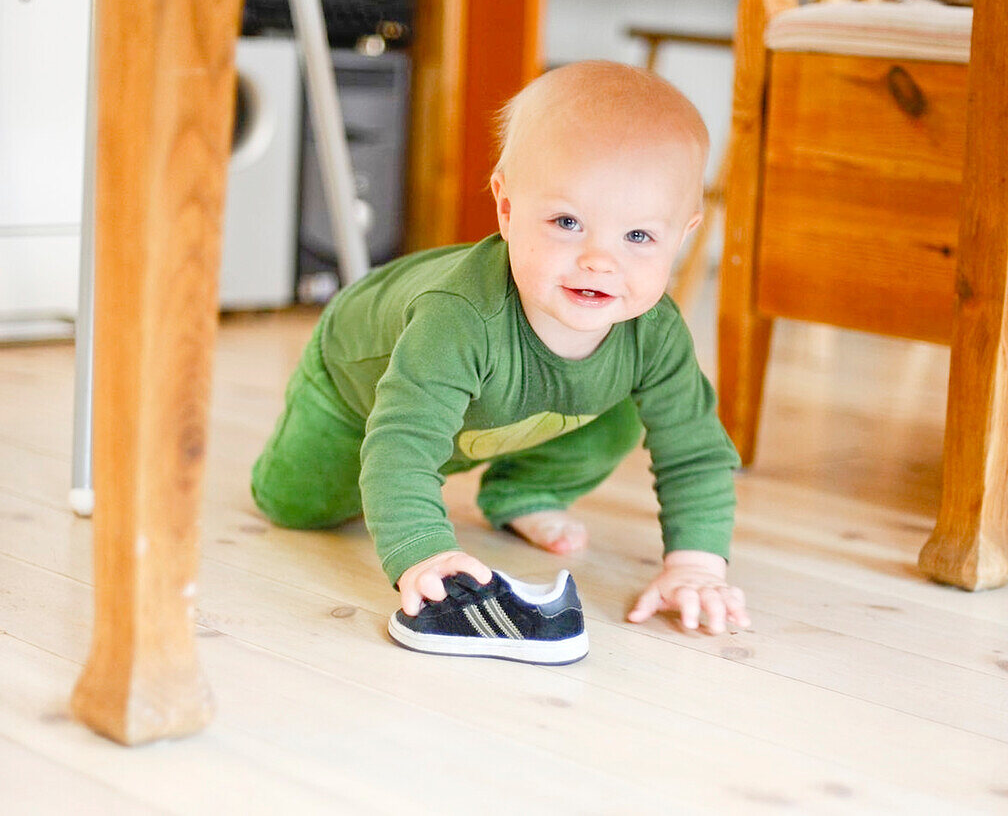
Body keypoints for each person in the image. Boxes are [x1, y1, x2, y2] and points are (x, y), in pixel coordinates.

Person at [252, 60, 750, 635]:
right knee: (295, 504)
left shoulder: (653, 331)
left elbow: (695, 450)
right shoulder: (458, 318)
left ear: (682, 237)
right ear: (507, 208)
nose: (599, 259)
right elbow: (403, 443)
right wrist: (423, 552)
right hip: (359, 389)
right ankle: (317, 451)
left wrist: (696, 565)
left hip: (502, 406)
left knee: (617, 419)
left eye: (638, 236)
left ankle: (522, 492)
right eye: (567, 221)